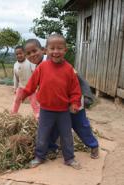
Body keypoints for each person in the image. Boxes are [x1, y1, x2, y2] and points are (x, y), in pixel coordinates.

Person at [24, 38, 99, 159]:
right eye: (28, 53)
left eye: (34, 51)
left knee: (79, 124)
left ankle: (93, 145)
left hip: (73, 100)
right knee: (53, 127)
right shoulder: (40, 66)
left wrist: (86, 96)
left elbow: (77, 78)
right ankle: (52, 148)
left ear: (43, 50)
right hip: (56, 105)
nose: (32, 55)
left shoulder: (55, 59)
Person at [22, 34, 82, 169]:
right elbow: (32, 84)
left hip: (63, 112)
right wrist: (24, 94)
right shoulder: (42, 68)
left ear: (65, 51)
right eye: (52, 48)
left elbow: (75, 89)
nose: (56, 51)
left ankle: (70, 158)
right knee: (42, 135)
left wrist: (74, 103)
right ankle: (39, 157)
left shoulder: (68, 69)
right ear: (46, 50)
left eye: (60, 48)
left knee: (66, 136)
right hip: (46, 110)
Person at [11, 46, 39, 119]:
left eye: (20, 53)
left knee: (34, 103)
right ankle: (13, 115)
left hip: (31, 87)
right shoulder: (15, 65)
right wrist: (15, 88)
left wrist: (37, 86)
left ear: (24, 53)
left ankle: (38, 117)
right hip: (21, 87)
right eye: (17, 54)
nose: (19, 55)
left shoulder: (30, 62)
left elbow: (35, 73)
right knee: (16, 101)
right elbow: (16, 77)